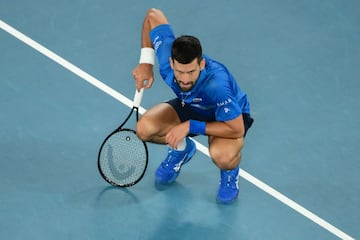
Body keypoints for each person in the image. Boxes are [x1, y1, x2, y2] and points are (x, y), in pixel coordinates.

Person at [132, 8, 253, 204]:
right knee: (144, 130)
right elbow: (152, 15)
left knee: (223, 156)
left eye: (191, 71)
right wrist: (146, 63)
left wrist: (190, 126)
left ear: (202, 64)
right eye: (180, 72)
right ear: (171, 63)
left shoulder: (217, 84)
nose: (185, 78)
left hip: (226, 115)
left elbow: (236, 128)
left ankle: (230, 175)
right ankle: (181, 149)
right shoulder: (165, 59)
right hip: (190, 105)